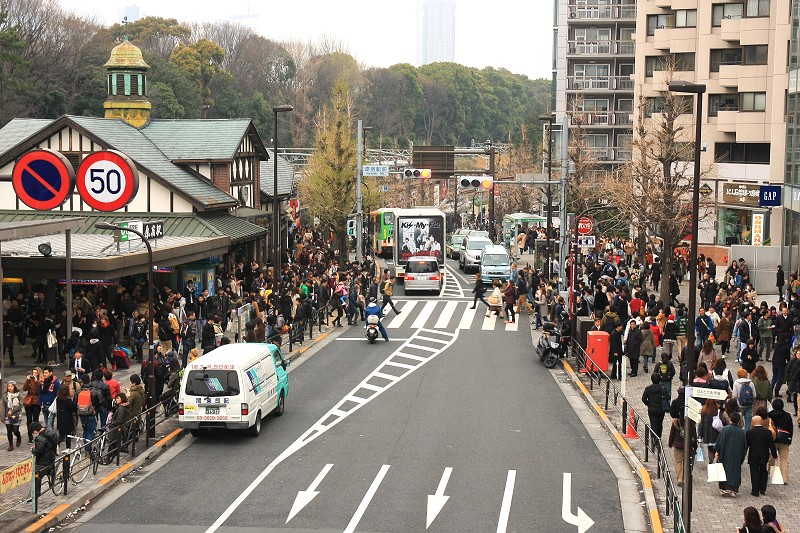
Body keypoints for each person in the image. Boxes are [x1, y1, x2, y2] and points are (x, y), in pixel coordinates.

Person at [715, 411, 747, 497]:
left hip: (726, 453)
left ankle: (725, 488)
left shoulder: (725, 429)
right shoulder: (741, 432)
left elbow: (721, 442)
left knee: (725, 469)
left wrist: (718, 451)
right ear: (739, 421)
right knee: (735, 471)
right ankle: (734, 490)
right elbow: (744, 445)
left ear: (730, 419)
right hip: (737, 454)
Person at [746, 415, 778, 496]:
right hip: (764, 454)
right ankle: (763, 488)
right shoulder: (767, 432)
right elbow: (771, 444)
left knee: (754, 472)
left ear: (753, 423)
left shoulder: (750, 432)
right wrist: (775, 455)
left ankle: (755, 491)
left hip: (753, 455)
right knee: (763, 471)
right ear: (762, 422)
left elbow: (746, 445)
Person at [29, 421, 58, 498]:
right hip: (51, 459)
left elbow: (39, 452)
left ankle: (34, 496)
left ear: (35, 431)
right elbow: (48, 445)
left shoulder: (40, 438)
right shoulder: (49, 432)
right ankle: (52, 473)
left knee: (35, 477)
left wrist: (33, 451)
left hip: (43, 462)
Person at [767, 398, 792, 484]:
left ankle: (769, 474)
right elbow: (790, 428)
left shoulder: (770, 415)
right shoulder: (787, 415)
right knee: (784, 459)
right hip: (784, 439)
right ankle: (784, 479)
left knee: (771, 458)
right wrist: (789, 439)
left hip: (773, 439)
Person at [641, 374, 667, 441]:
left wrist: (649, 404)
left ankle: (653, 438)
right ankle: (658, 438)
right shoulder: (662, 388)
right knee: (659, 423)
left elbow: (644, 399)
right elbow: (668, 397)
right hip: (660, 409)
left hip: (652, 409)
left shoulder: (648, 388)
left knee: (653, 424)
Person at [22, 367, 41, 444]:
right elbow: (24, 389)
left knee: (35, 420)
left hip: (36, 402)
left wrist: (36, 382)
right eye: (33, 373)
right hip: (29, 402)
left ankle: (36, 435)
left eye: (35, 373)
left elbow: (38, 390)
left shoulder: (40, 381)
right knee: (29, 420)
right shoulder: (29, 381)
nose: (34, 374)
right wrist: (28, 380)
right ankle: (30, 437)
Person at [55, 382, 76, 450]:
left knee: (61, 435)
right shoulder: (68, 400)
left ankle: (57, 444)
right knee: (68, 435)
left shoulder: (58, 399)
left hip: (60, 419)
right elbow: (73, 409)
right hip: (68, 419)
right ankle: (68, 448)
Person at [2, 381, 22, 451]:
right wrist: (2, 416)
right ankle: (10, 444)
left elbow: (20, 405)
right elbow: (3, 406)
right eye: (8, 386)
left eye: (11, 386)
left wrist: (12, 411)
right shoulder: (5, 395)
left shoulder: (18, 395)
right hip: (8, 414)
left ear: (14, 387)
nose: (10, 388)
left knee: (15, 430)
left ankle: (18, 436)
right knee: (9, 430)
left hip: (16, 413)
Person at [39, 366, 59, 431]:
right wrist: (40, 403)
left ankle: (51, 436)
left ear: (51, 373)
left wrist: (55, 404)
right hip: (44, 405)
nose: (45, 374)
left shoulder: (56, 383)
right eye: (44, 373)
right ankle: (49, 435)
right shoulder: (42, 382)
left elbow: (57, 394)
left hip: (51, 405)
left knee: (50, 423)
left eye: (46, 373)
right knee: (47, 422)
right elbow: (40, 393)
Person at [787, 349, 800, 415]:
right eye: (797, 353)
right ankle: (796, 410)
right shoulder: (793, 361)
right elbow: (787, 370)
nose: (798, 355)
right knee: (795, 396)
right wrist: (790, 377)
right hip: (794, 381)